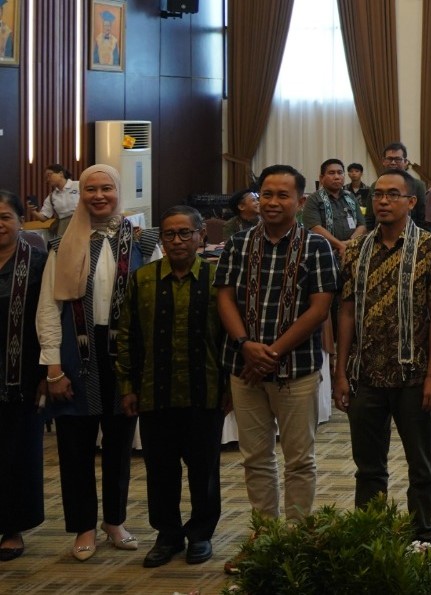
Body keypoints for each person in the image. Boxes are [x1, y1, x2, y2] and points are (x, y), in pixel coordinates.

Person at [215, 165, 339, 549]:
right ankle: (264, 536)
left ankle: (298, 536)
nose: (272, 202)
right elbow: (224, 295)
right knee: (256, 458)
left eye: (282, 195)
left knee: (299, 460)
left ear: (300, 202)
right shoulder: (238, 242)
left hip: (296, 370)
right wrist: (245, 345)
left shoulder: (316, 246)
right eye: (266, 194)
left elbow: (319, 309)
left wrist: (272, 351)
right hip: (244, 367)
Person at [36, 165, 155, 560]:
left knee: (119, 445)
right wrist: (53, 368)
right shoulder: (60, 245)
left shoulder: (143, 240)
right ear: (80, 194)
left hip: (124, 359)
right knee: (74, 447)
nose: (99, 195)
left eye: (106, 188)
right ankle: (83, 527)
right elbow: (48, 311)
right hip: (75, 357)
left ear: (118, 192)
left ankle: (115, 521)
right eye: (91, 189)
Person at [333, 169, 431, 543]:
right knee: (368, 466)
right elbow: (347, 311)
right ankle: (371, 531)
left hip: (414, 375)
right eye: (377, 194)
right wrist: (340, 372)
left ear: (411, 202)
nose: (382, 201)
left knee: (420, 463)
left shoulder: (430, 248)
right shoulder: (354, 250)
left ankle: (422, 532)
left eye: (392, 194)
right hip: (365, 374)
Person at [114, 205, 228, 567]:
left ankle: (200, 535)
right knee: (160, 470)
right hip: (154, 392)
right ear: (160, 238)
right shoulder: (143, 279)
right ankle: (167, 535)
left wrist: (228, 388)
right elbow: (128, 335)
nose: (177, 241)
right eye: (169, 234)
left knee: (204, 469)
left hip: (204, 391)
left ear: (201, 236)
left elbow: (227, 339)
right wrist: (128, 386)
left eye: (185, 233)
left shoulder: (216, 279)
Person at [0, 190, 45, 563]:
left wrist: (48, 370)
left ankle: (12, 527)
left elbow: (48, 320)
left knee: (16, 453)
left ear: (19, 221)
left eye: (4, 217)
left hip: (21, 373)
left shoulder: (38, 261)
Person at [303, 159, 364, 257]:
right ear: (321, 178)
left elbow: (362, 225)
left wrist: (349, 242)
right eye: (331, 173)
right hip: (324, 252)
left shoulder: (350, 197)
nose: (336, 177)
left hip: (352, 250)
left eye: (340, 173)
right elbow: (315, 228)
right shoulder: (314, 198)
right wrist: (340, 245)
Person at [381, 142, 428, 229]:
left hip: (411, 236)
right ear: (383, 162)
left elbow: (422, 218)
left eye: (398, 159)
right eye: (389, 159)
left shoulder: (418, 185)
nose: (393, 163)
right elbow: (370, 219)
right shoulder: (376, 185)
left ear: (406, 162)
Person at [31, 165, 79, 237]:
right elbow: (44, 218)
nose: (48, 179)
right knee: (63, 247)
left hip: (81, 222)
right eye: (46, 178)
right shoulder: (52, 196)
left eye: (49, 175)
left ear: (61, 174)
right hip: (63, 226)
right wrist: (33, 211)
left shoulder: (78, 185)